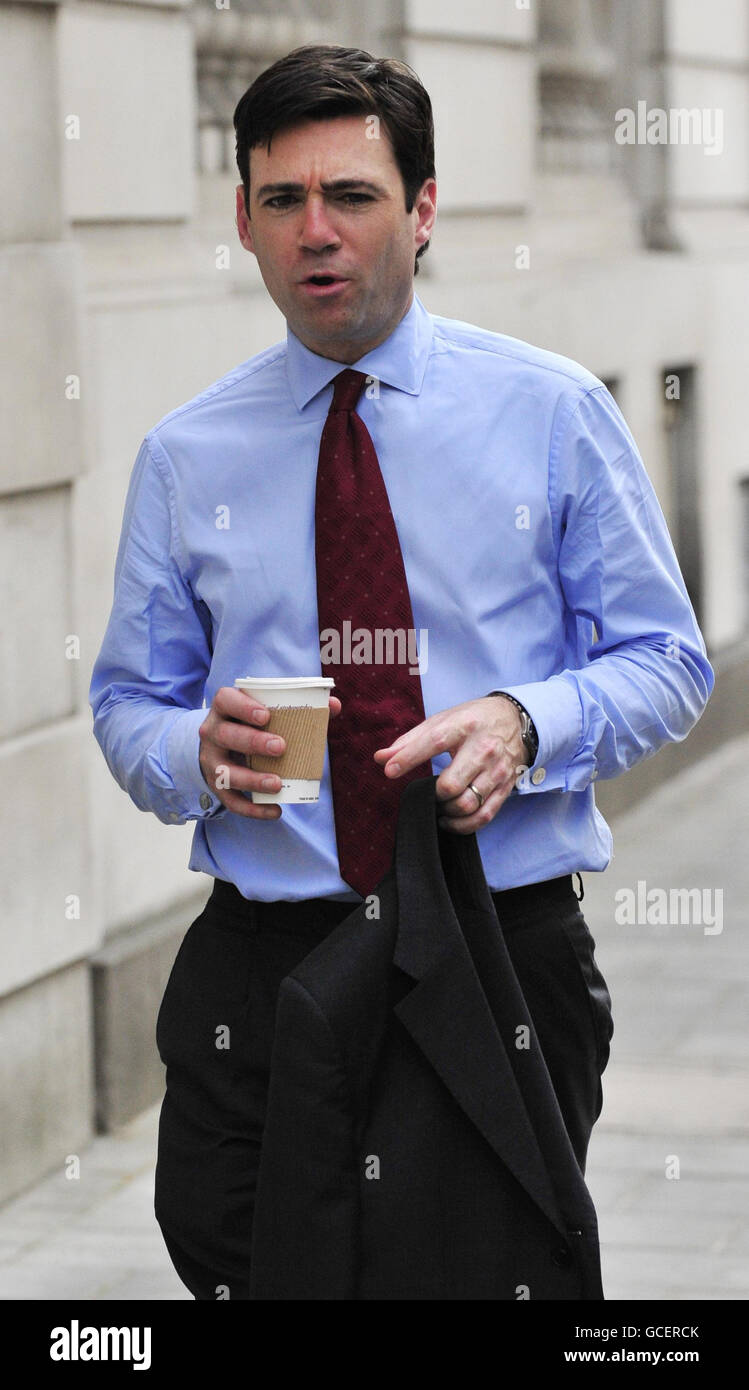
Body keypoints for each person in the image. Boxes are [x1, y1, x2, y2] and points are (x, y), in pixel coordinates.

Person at [88, 44, 714, 1300]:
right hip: (267, 956)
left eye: (354, 197)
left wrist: (525, 722)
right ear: (244, 223)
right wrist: (191, 756)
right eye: (282, 201)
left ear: (422, 211)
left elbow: (668, 661)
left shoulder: (547, 414)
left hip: (489, 948)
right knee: (233, 1249)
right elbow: (124, 704)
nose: (317, 233)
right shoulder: (184, 456)